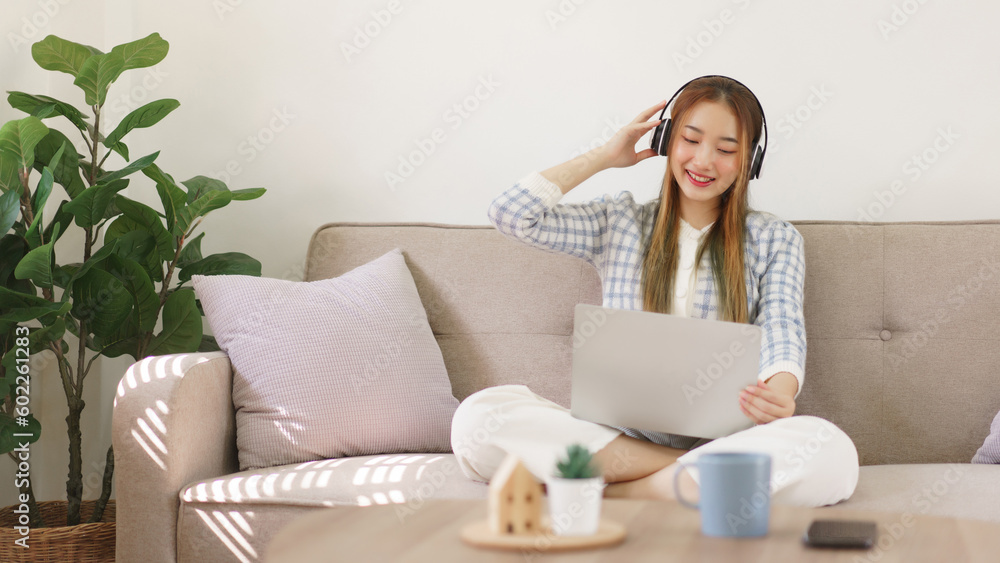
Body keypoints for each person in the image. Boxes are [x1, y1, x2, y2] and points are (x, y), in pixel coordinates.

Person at [451, 76, 859, 507]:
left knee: (831, 452)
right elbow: (512, 213)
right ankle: (687, 473)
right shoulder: (618, 221)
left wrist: (780, 389)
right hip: (620, 440)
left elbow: (782, 324)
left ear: (749, 163)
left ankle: (624, 491)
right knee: (478, 419)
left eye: (725, 150)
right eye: (690, 140)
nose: (704, 161)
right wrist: (604, 156)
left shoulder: (775, 238)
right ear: (666, 139)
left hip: (729, 438)